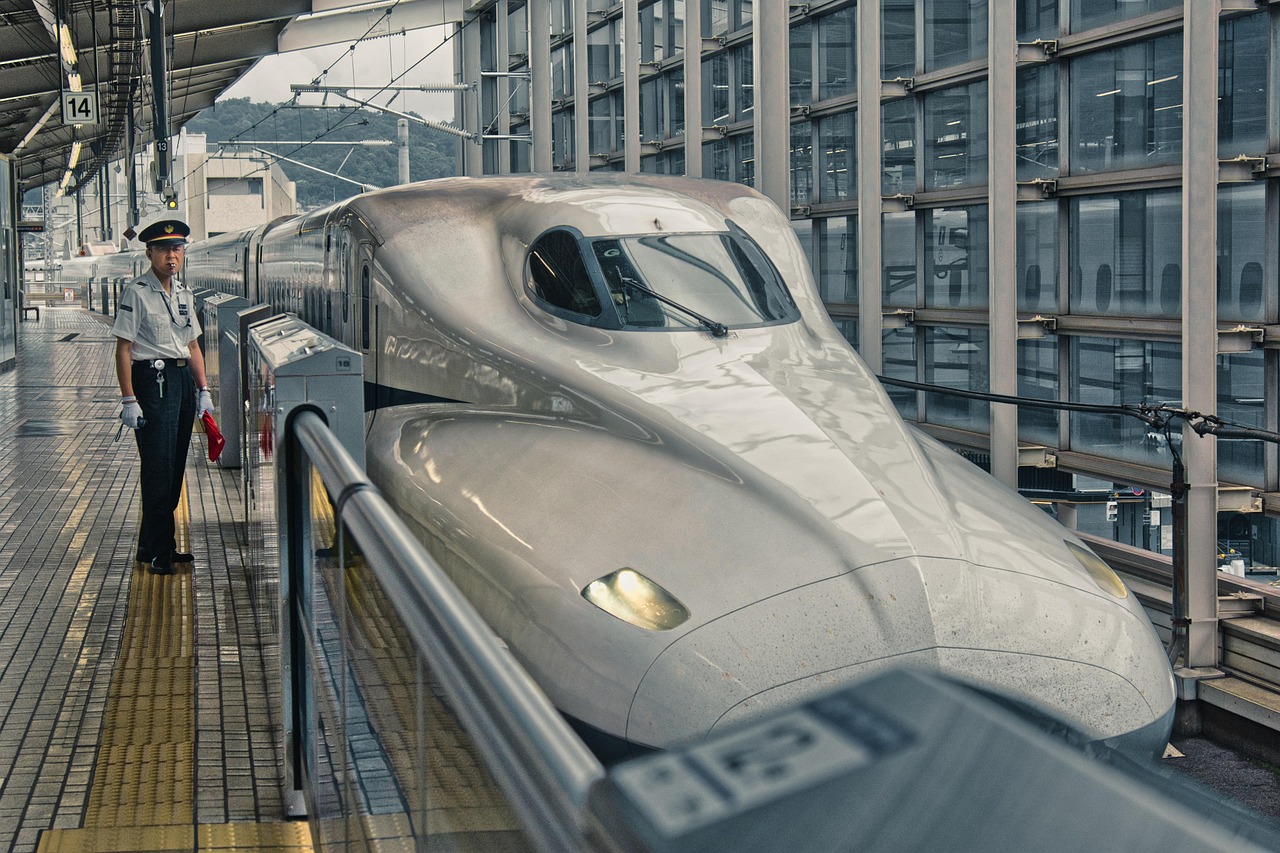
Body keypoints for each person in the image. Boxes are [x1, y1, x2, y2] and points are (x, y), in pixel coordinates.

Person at [111, 220, 215, 575]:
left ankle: (150, 544)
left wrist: (203, 389)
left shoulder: (184, 294)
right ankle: (161, 550)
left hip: (181, 380)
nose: (172, 257)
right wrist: (129, 399)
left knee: (175, 462)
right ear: (149, 254)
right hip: (153, 381)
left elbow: (193, 346)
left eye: (177, 249)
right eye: (164, 250)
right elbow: (123, 349)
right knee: (158, 465)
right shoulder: (136, 292)